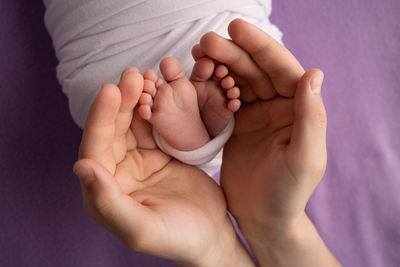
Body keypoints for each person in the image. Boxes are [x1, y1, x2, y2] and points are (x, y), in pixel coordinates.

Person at [73, 19, 341, 266]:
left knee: (115, 97)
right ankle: (199, 140)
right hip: (252, 98)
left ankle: (195, 140)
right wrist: (275, 226)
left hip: (136, 134)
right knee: (245, 54)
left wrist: (220, 252)